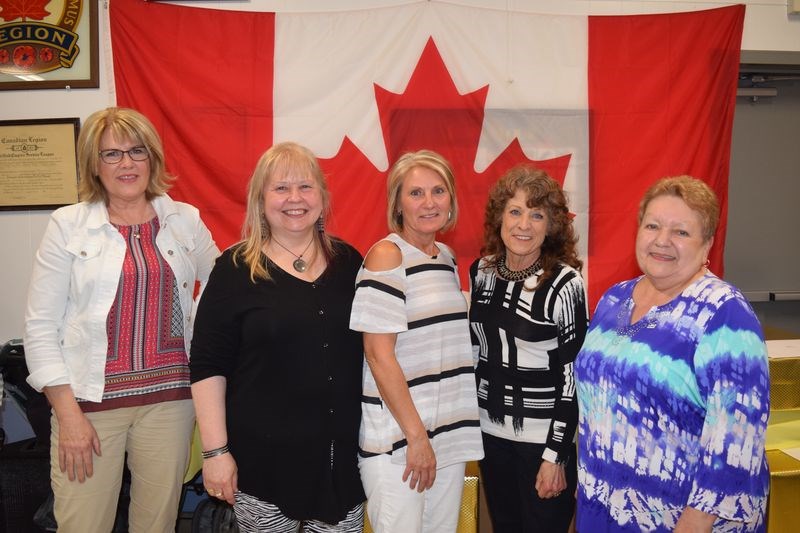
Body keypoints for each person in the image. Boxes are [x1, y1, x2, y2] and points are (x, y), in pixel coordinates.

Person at [23, 106, 219, 532]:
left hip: (170, 403)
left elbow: (224, 293)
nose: (126, 163)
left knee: (158, 524)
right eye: (111, 154)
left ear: (153, 158)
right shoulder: (68, 225)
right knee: (83, 524)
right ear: (94, 164)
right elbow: (40, 327)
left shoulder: (184, 220)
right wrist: (68, 414)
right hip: (89, 407)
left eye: (137, 151)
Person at [575, 176, 770, 532]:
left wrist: (696, 522)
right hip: (604, 510)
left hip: (683, 519)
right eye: (652, 225)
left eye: (681, 232)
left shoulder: (725, 314)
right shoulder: (614, 297)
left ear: (707, 243)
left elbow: (738, 438)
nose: (662, 240)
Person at [189, 142, 366, 532]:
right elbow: (207, 366)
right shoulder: (234, 269)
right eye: (280, 188)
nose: (294, 199)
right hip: (262, 467)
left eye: (305, 187)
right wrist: (216, 451)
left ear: (322, 196)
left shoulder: (351, 263)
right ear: (260, 199)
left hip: (339, 466)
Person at [349, 150, 483, 532]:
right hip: (400, 443)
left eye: (438, 191)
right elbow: (377, 355)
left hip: (447, 438)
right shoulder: (386, 256)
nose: (429, 202)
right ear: (398, 204)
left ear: (451, 200)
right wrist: (416, 437)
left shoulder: (447, 258)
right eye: (416, 193)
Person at [468, 166, 587, 532]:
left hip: (542, 445)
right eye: (515, 211)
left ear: (551, 225)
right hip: (491, 437)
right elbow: (476, 356)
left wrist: (556, 455)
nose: (524, 224)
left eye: (537, 215)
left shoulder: (564, 283)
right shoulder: (481, 272)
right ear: (499, 217)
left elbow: (573, 379)